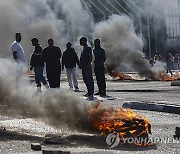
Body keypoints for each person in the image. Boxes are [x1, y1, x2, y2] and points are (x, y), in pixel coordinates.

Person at [79, 37, 94, 101]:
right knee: (85, 80)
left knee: (89, 79)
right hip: (83, 67)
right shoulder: (84, 49)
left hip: (87, 67)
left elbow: (91, 57)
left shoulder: (88, 48)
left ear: (84, 41)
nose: (80, 42)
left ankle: (91, 92)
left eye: (81, 41)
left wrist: (88, 64)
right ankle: (89, 92)